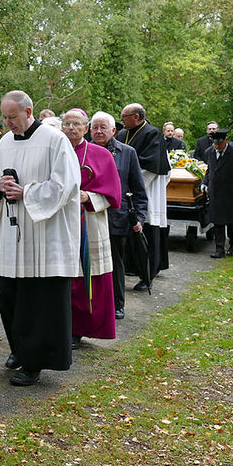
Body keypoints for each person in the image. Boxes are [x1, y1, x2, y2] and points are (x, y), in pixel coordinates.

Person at [0, 91, 80, 386]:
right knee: (11, 296)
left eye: (13, 117)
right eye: (5, 117)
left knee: (38, 301)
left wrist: (27, 192)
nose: (8, 123)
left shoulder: (55, 141)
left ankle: (34, 362)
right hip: (12, 235)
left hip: (45, 234)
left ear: (28, 112)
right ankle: (19, 348)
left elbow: (67, 185)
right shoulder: (4, 144)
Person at [62, 110, 120, 348]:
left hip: (90, 220)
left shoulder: (101, 154)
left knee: (88, 275)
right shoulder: (54, 151)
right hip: (60, 222)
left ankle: (80, 329)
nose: (71, 128)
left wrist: (90, 196)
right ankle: (62, 325)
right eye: (67, 123)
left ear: (86, 128)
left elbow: (114, 194)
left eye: (77, 124)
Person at [90, 111, 147, 320]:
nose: (98, 131)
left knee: (115, 262)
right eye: (95, 127)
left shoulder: (127, 152)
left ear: (114, 130)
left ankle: (117, 304)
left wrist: (140, 217)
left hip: (117, 217)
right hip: (87, 216)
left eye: (103, 127)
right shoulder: (83, 150)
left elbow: (138, 189)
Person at [118, 104, 170, 290]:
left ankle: (147, 274)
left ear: (137, 116)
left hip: (145, 190)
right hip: (124, 190)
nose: (122, 119)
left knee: (146, 232)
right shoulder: (123, 134)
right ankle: (131, 267)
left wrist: (130, 182)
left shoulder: (152, 133)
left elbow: (152, 165)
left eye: (125, 116)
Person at [202, 129, 233, 258]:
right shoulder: (210, 152)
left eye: (220, 143)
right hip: (216, 193)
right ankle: (219, 249)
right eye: (215, 143)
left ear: (226, 140)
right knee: (217, 222)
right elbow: (209, 170)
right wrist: (205, 183)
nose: (217, 146)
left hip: (231, 194)